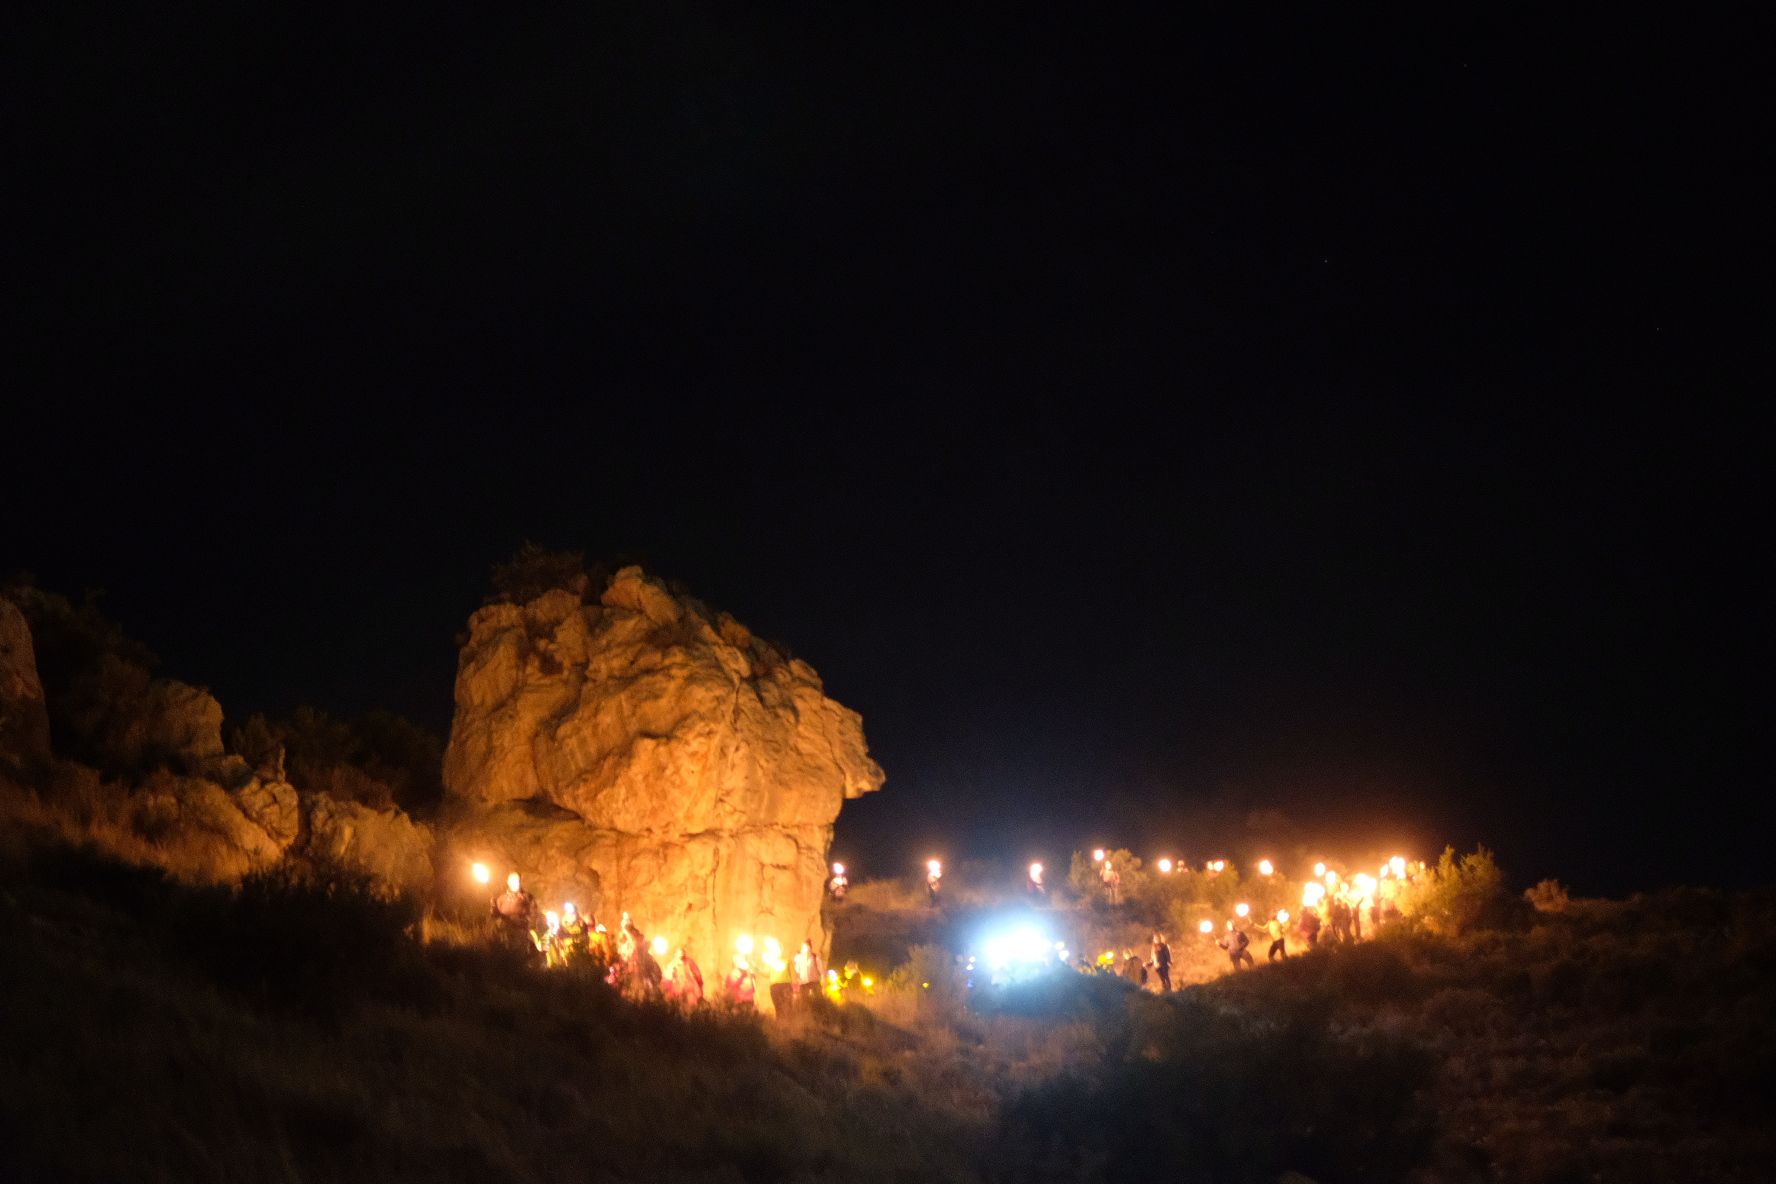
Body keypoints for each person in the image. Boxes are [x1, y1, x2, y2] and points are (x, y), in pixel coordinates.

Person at [490, 872, 537, 948]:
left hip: (522, 935)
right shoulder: (501, 899)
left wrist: (524, 922)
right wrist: (493, 907)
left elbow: (534, 914)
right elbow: (495, 917)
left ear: (519, 882)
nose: (514, 883)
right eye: (512, 880)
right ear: (508, 882)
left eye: (516, 880)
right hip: (505, 937)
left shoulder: (527, 897)